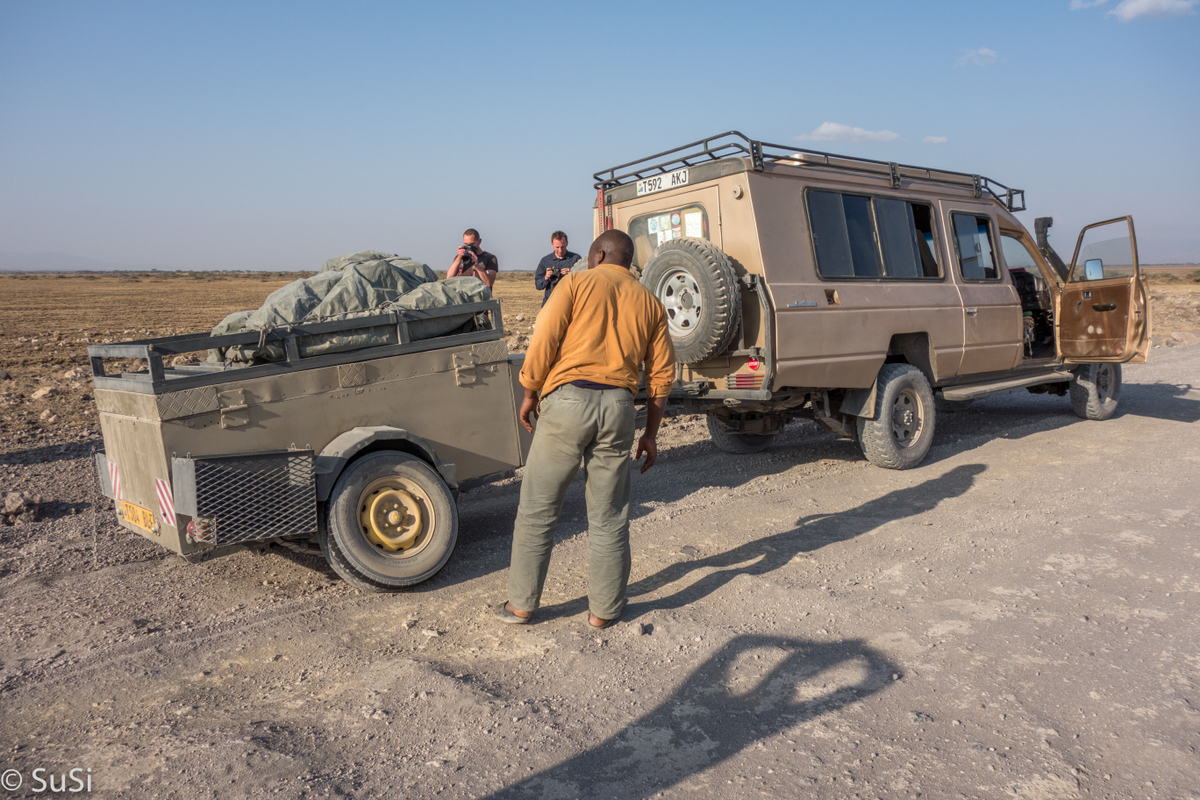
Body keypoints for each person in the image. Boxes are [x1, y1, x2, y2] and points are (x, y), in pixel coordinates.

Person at [495, 229, 676, 629]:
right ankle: (605, 611)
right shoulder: (650, 302)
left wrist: (529, 392)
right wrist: (650, 434)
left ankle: (522, 605)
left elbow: (544, 339)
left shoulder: (574, 282)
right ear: (627, 262)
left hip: (567, 403)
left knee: (539, 510)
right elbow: (661, 376)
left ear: (595, 256)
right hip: (619, 409)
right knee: (610, 515)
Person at [534, 231, 581, 306]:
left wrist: (572, 272)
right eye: (557, 247)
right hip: (549, 303)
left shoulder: (576, 259)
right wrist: (546, 277)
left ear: (567, 243)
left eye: (563, 247)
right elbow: (538, 286)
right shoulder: (545, 261)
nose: (560, 250)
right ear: (552, 244)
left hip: (569, 304)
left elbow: (584, 281)